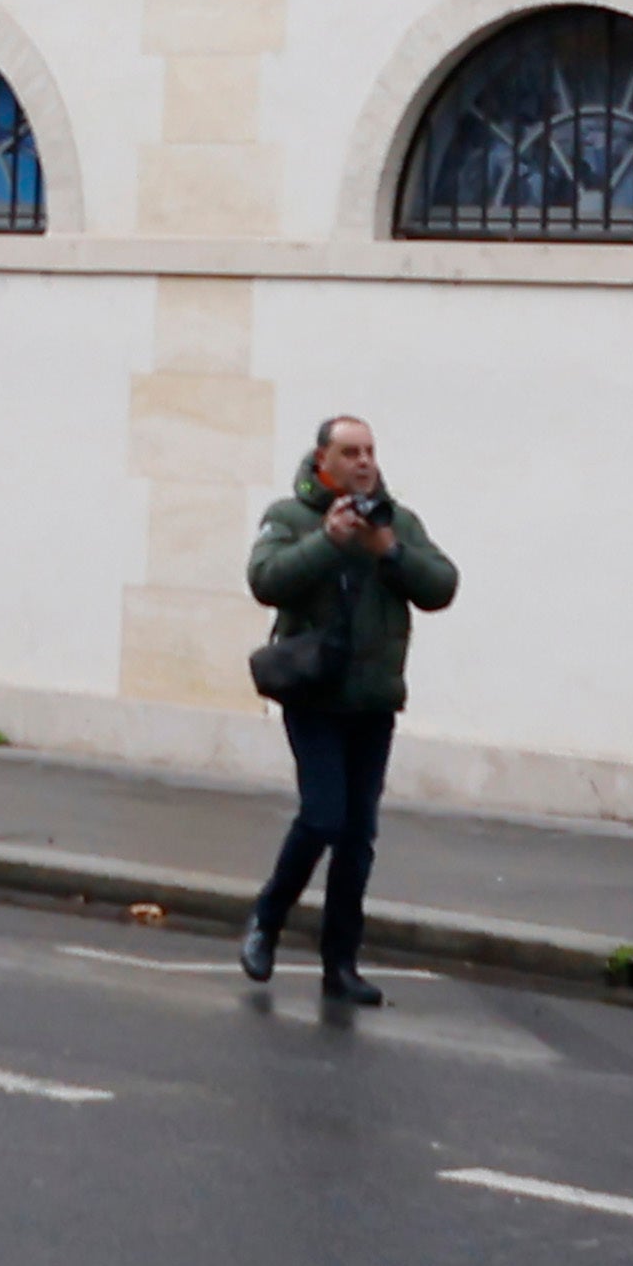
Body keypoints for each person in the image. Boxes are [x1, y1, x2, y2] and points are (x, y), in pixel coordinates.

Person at [241, 413, 456, 1009]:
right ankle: (267, 919)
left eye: (369, 451)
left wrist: (390, 552)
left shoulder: (397, 520)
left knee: (358, 836)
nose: (364, 462)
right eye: (350, 452)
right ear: (323, 462)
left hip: (373, 700)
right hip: (314, 695)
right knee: (322, 817)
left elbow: (441, 584)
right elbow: (265, 579)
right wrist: (327, 541)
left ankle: (341, 964)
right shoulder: (290, 517)